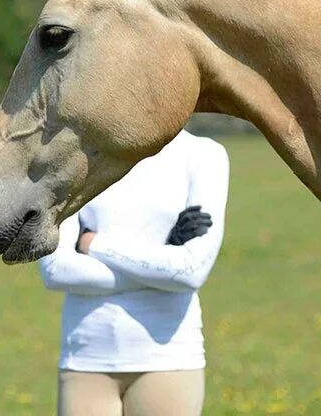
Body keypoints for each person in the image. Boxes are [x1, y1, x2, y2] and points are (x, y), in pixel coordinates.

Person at [40, 129, 229, 416]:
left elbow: (191, 271)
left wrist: (93, 244)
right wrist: (163, 264)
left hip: (168, 361)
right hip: (85, 360)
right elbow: (55, 270)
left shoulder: (204, 155)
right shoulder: (75, 158)